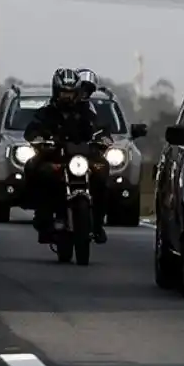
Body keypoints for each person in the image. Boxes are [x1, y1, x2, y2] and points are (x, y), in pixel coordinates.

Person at [24, 68, 113, 245]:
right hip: (56, 157)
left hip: (82, 158)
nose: (67, 96)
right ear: (56, 92)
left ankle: (97, 223)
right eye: (64, 92)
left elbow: (100, 127)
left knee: (102, 170)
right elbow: (32, 129)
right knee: (34, 168)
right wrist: (39, 139)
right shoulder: (46, 112)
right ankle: (43, 218)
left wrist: (103, 138)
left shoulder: (87, 111)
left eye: (71, 93)